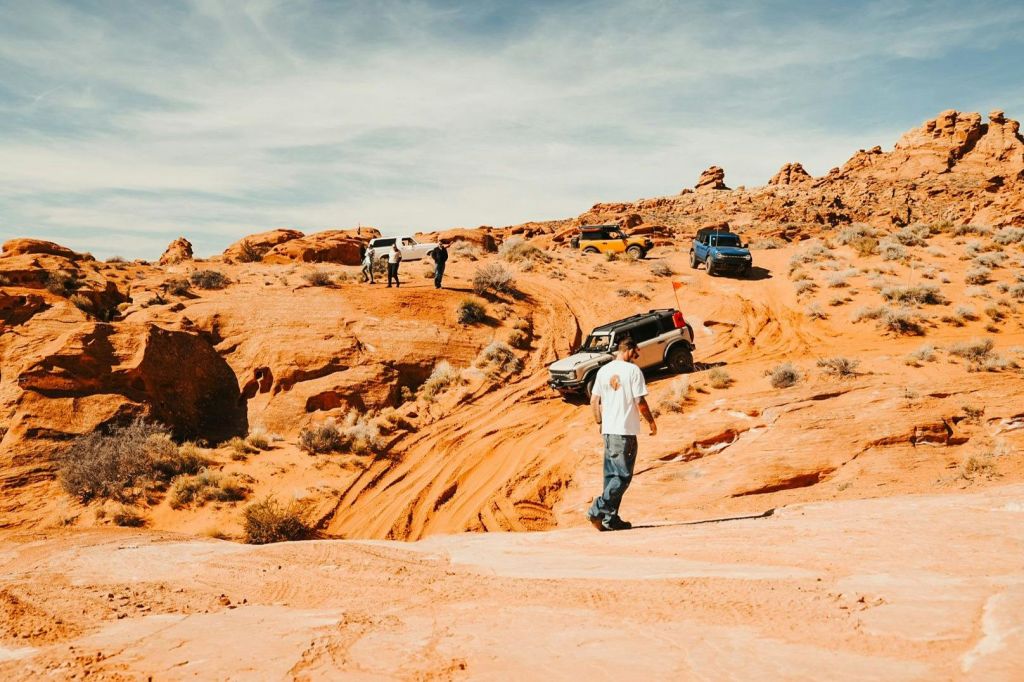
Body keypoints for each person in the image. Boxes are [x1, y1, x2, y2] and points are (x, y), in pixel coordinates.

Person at [587, 336, 657, 531]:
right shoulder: (633, 371)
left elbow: (594, 401)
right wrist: (651, 422)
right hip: (624, 431)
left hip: (609, 431)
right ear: (629, 349)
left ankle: (610, 519)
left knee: (611, 476)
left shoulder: (603, 371)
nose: (637, 355)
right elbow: (640, 402)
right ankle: (597, 509)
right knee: (622, 476)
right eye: (636, 351)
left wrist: (600, 423)